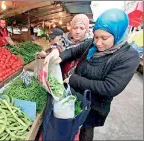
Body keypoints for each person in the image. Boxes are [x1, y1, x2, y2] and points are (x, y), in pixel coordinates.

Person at [44, 8, 140, 141]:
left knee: (86, 129)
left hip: (95, 104)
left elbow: (109, 87)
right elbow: (73, 51)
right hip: (75, 95)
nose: (98, 43)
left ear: (118, 34)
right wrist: (59, 56)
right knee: (69, 127)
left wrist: (74, 80)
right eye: (96, 37)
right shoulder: (91, 43)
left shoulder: (129, 57)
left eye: (104, 38)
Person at [38, 14, 91, 79]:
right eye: (75, 28)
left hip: (79, 80)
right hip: (61, 77)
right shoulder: (64, 39)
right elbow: (57, 48)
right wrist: (51, 53)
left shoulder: (89, 44)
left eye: (82, 28)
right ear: (71, 28)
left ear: (86, 29)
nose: (78, 31)